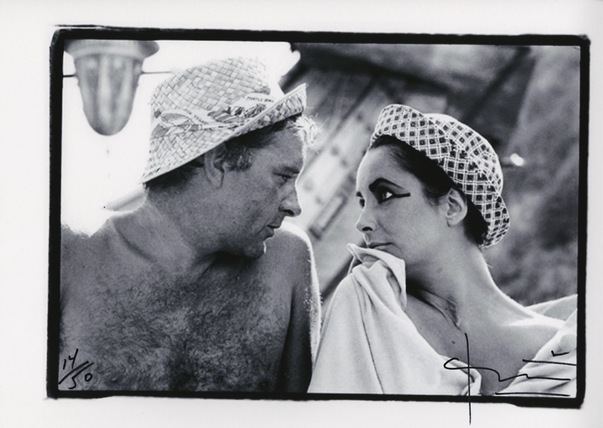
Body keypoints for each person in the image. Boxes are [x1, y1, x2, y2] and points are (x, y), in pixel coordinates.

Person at [58, 57, 321, 392]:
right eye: (282, 177)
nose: (294, 205)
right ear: (218, 161)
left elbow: (303, 413)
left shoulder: (286, 263)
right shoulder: (72, 255)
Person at [308, 104, 577, 396]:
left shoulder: (568, 348)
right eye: (362, 202)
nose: (362, 222)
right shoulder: (370, 303)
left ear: (452, 207)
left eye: (384, 194)